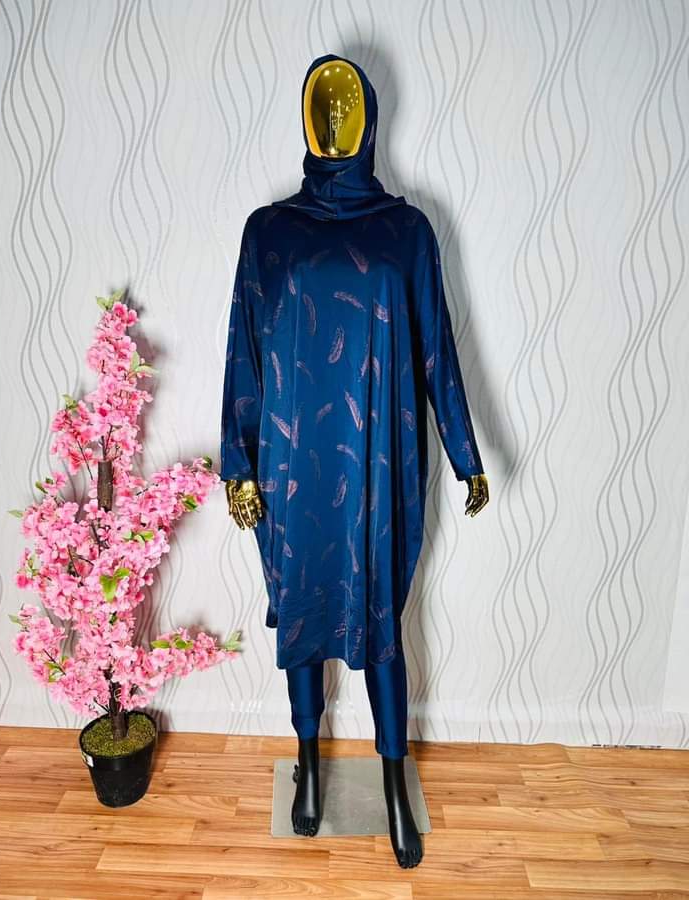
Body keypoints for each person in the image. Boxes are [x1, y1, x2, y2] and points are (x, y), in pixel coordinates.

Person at [220, 53, 489, 869]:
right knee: (304, 614)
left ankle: (395, 780)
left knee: (379, 626)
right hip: (291, 470)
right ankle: (307, 763)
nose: (334, 121)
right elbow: (244, 351)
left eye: (347, 108)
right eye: (321, 106)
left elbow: (437, 348)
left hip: (378, 464)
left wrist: (465, 454)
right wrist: (237, 464)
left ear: (371, 119)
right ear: (306, 121)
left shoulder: (407, 231)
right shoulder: (269, 231)